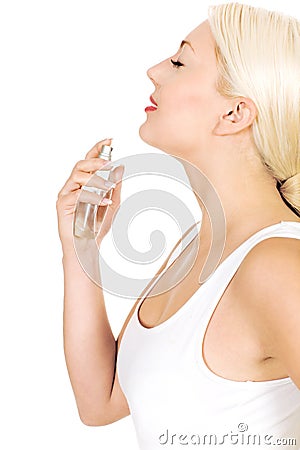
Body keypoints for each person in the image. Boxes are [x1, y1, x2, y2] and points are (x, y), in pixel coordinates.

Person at [56, 2, 300, 448]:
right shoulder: (195, 244)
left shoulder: (278, 265)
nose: (154, 70)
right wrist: (80, 250)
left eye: (179, 61)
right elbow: (101, 401)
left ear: (234, 114)